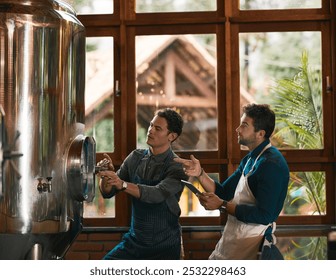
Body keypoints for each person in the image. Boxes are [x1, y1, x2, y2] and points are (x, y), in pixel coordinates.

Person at [175, 103, 289, 260]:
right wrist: (200, 174)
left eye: (244, 125)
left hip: (251, 245)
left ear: (260, 133)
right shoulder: (250, 158)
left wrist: (221, 204)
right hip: (233, 238)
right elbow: (224, 192)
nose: (237, 129)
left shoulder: (271, 165)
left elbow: (264, 215)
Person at [97, 108, 188, 260]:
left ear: (171, 136)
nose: (150, 130)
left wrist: (123, 184)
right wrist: (106, 176)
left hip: (165, 246)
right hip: (135, 242)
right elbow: (108, 192)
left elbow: (157, 194)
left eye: (157, 128)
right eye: (151, 125)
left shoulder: (178, 166)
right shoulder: (135, 157)